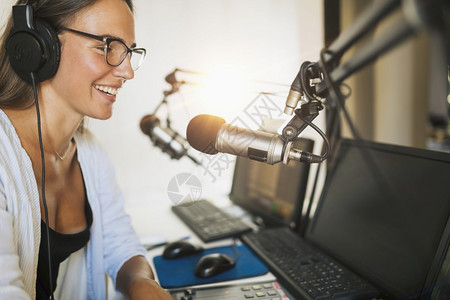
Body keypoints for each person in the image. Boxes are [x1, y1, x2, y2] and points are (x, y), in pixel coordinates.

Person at [0, 0, 173, 299]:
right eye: (107, 46)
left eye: (128, 51)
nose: (128, 71)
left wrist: (142, 284)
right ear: (39, 45)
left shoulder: (89, 154)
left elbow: (120, 243)